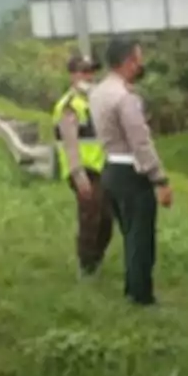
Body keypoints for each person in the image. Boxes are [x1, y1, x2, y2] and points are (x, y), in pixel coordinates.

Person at [88, 37, 173, 306]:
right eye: (138, 59)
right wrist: (159, 178)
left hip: (110, 169)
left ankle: (132, 288)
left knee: (129, 235)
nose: (141, 64)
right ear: (128, 62)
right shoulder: (126, 98)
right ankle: (141, 296)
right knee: (140, 238)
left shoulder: (98, 92)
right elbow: (140, 141)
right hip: (131, 172)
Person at [52, 55, 112, 278]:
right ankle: (86, 266)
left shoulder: (94, 102)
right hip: (82, 170)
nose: (89, 76)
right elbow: (70, 144)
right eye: (83, 71)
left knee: (106, 218)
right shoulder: (70, 106)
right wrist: (78, 176)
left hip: (101, 167)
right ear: (73, 75)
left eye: (91, 71)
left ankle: (95, 259)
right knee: (91, 215)